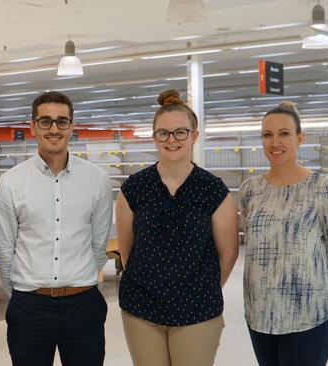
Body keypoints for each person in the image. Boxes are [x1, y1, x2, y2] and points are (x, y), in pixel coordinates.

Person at [115, 89, 239, 366]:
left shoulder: (212, 190)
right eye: (163, 133)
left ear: (194, 136)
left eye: (180, 132)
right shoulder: (134, 189)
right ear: (154, 137)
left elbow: (228, 254)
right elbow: (127, 251)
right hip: (141, 308)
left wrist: (199, 289)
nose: (172, 140)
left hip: (198, 309)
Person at [0, 91, 113, 366]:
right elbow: (5, 248)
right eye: (45, 121)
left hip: (83, 305)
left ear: (72, 126)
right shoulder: (11, 182)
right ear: (32, 126)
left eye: (62, 121)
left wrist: (79, 279)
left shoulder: (97, 180)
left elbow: (98, 245)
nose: (54, 129)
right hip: (29, 308)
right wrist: (25, 295)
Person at [239, 102, 328, 366]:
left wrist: (315, 295)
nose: (275, 142)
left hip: (309, 319)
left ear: (299, 138)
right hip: (260, 317)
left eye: (284, 133)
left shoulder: (322, 188)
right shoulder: (250, 190)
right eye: (267, 135)